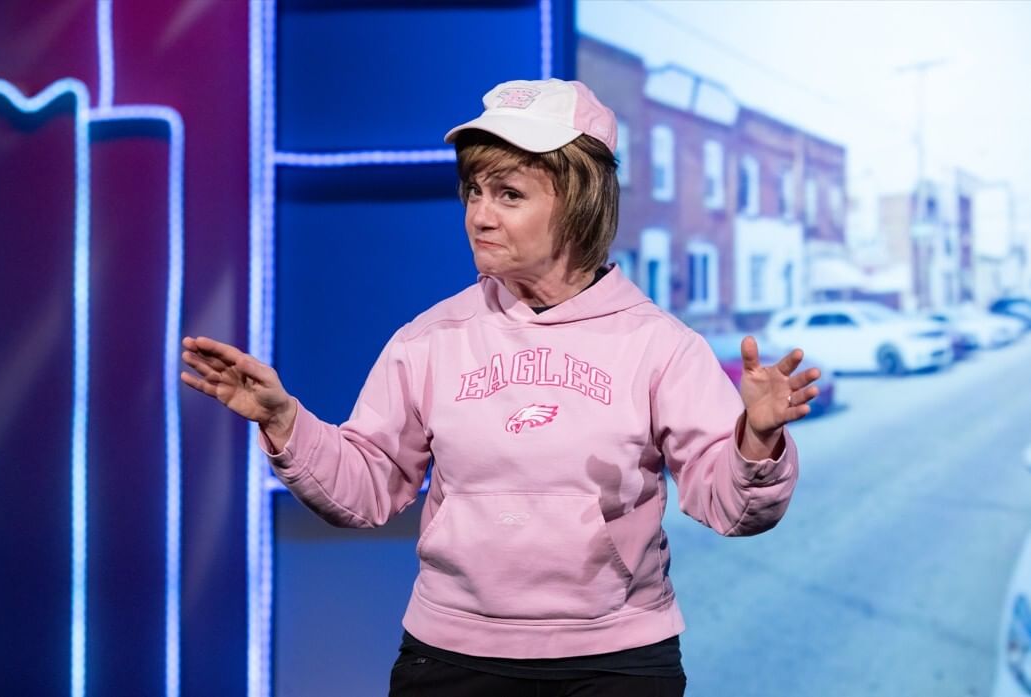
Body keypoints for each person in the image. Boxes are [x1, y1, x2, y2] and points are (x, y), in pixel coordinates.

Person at [180, 77, 819, 697]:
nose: (480, 216)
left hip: (616, 660)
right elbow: (368, 487)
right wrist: (285, 421)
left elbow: (730, 509)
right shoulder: (431, 337)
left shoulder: (659, 344)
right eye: (473, 192)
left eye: (509, 194)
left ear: (581, 200)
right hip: (452, 655)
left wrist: (756, 440)